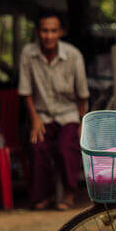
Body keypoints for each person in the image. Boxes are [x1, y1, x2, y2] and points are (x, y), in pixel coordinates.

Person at [18, 11, 89, 211]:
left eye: (53, 31)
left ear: (61, 32)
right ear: (38, 32)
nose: (48, 35)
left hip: (68, 114)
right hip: (42, 115)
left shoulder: (73, 55)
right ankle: (43, 195)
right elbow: (26, 91)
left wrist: (82, 123)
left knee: (66, 147)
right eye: (44, 31)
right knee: (37, 145)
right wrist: (35, 120)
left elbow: (82, 94)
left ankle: (69, 192)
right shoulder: (28, 54)